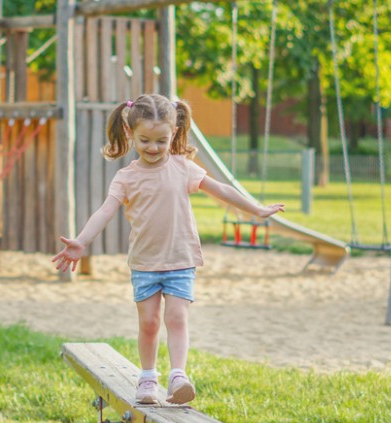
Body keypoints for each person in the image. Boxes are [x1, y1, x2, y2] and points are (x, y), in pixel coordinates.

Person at [52, 94, 284, 405]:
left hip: (180, 260)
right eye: (145, 140)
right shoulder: (126, 177)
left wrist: (256, 209)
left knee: (176, 318)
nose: (153, 147)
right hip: (145, 264)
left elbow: (221, 190)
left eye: (161, 141)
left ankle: (178, 377)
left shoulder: (184, 168)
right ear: (130, 133)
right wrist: (82, 240)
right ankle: (147, 379)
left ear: (172, 135)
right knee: (148, 323)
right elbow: (105, 211)